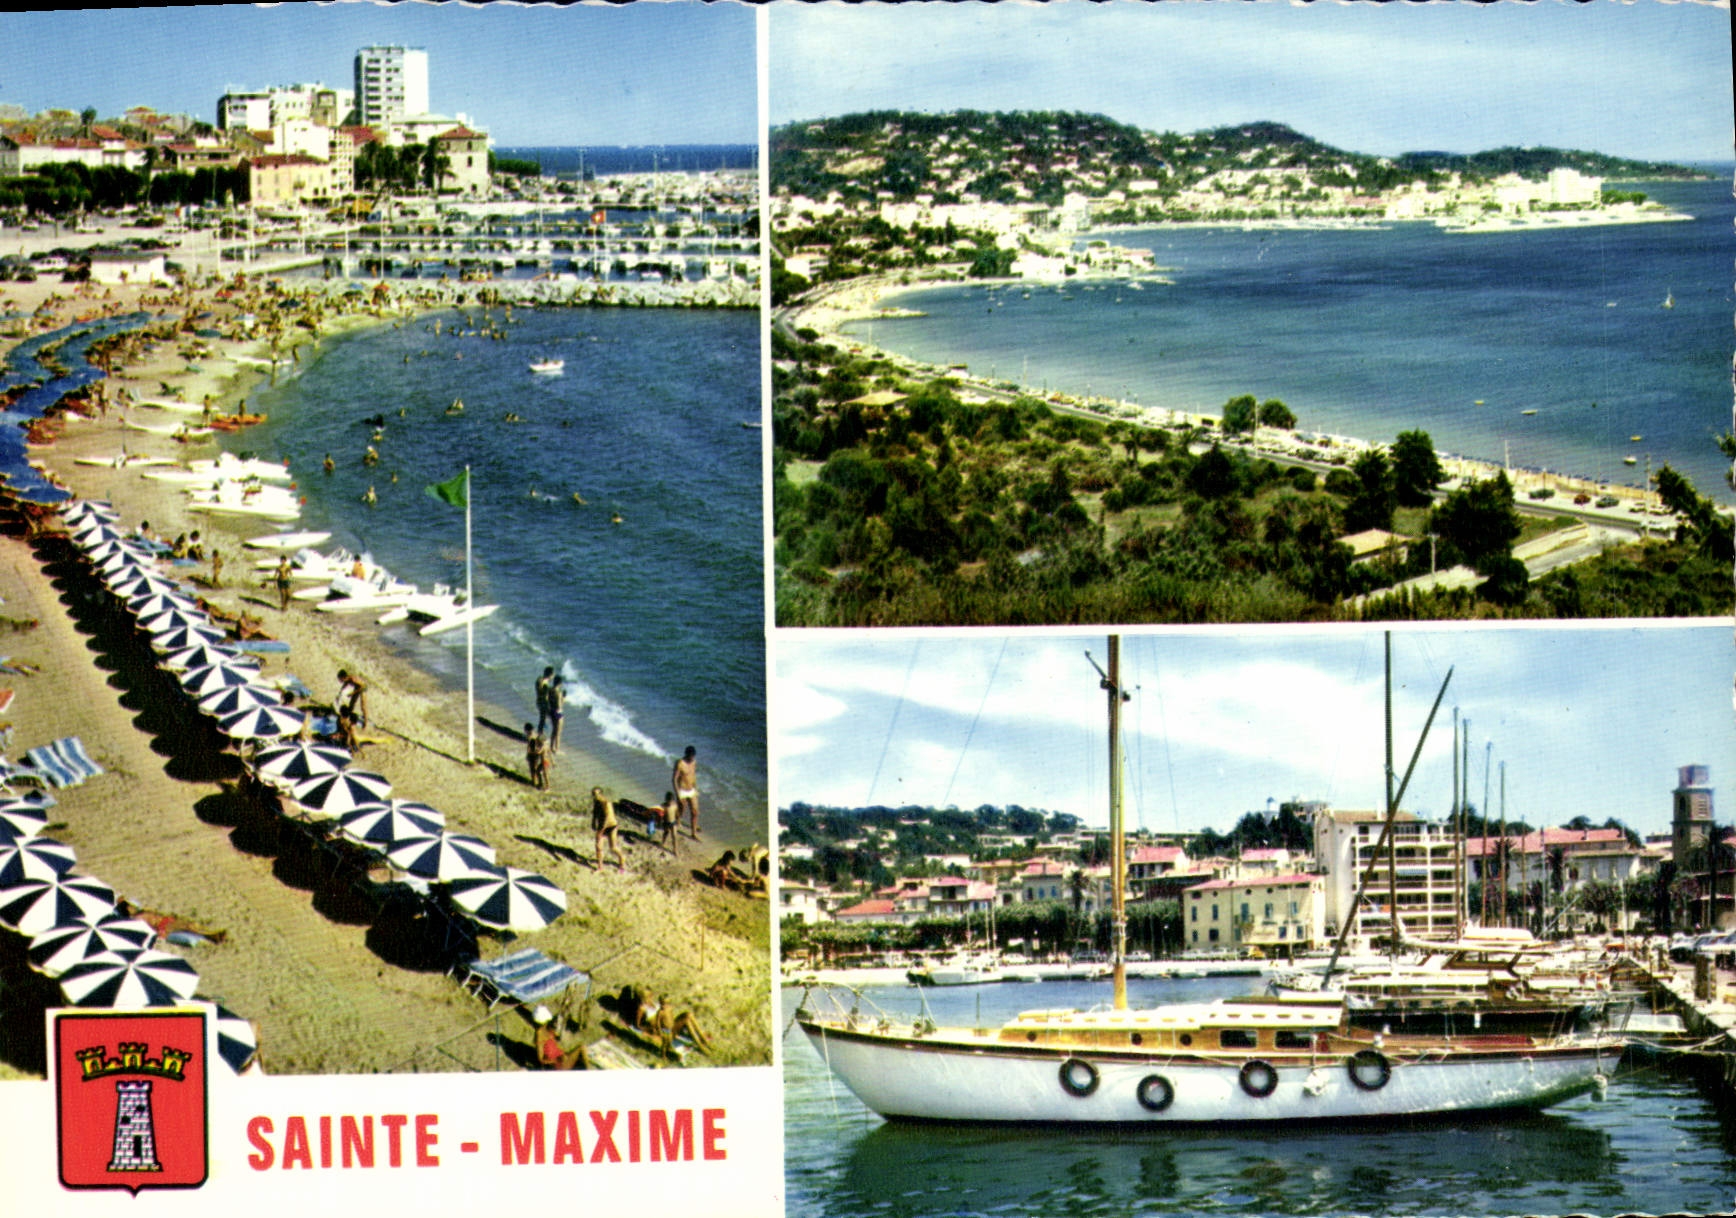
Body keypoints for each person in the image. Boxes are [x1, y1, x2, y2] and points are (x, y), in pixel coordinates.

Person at [591, 786, 625, 871]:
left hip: (611, 826)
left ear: (601, 794)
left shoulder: (606, 803)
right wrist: (593, 821)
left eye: (597, 794)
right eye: (594, 794)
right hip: (602, 826)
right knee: (598, 847)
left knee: (613, 847)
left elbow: (608, 817)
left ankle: (622, 863)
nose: (595, 796)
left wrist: (601, 830)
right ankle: (600, 867)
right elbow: (595, 812)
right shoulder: (596, 802)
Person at [673, 746, 700, 839]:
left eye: (693, 756)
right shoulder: (680, 763)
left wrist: (696, 789)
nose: (692, 758)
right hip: (682, 790)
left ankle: (693, 833)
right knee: (681, 811)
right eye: (691, 756)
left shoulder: (694, 762)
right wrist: (678, 794)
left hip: (691, 789)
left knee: (695, 811)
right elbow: (674, 779)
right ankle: (676, 822)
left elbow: (693, 775)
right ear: (686, 754)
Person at [524, 723, 549, 790]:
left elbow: (529, 746)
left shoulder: (530, 736)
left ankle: (534, 782)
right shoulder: (536, 735)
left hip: (534, 753)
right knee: (535, 768)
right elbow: (543, 740)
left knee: (533, 768)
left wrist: (528, 754)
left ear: (527, 730)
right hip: (537, 752)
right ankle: (537, 782)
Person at [545, 674, 565, 756]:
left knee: (554, 730)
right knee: (558, 732)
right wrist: (563, 699)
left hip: (551, 711)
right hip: (557, 713)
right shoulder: (559, 693)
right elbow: (559, 706)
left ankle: (551, 746)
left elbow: (548, 701)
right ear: (560, 683)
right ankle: (556, 749)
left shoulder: (550, 690)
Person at [534, 666, 555, 736]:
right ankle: (540, 734)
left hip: (543, 702)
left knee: (543, 719)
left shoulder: (543, 680)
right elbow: (540, 691)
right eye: (552, 675)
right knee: (544, 719)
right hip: (542, 702)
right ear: (550, 674)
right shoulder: (541, 681)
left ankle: (541, 733)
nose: (553, 677)